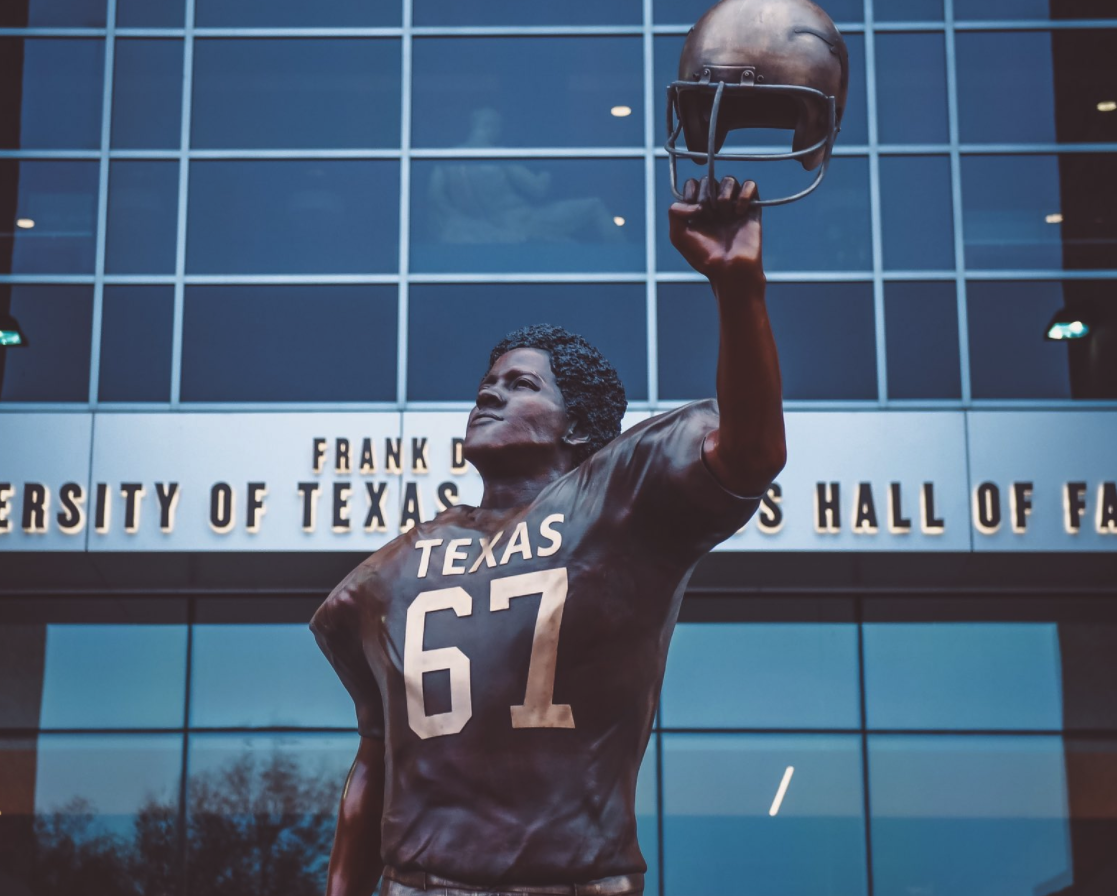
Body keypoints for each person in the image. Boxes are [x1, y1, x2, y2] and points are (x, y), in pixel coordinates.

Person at [310, 175, 786, 896]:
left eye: (522, 384)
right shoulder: (389, 574)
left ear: (583, 426)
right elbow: (377, 759)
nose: (490, 392)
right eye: (488, 382)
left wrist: (735, 285)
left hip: (575, 881)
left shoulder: (618, 500)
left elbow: (749, 453)